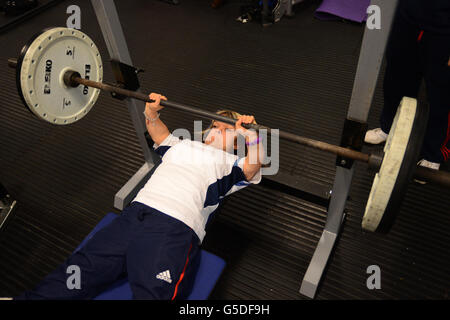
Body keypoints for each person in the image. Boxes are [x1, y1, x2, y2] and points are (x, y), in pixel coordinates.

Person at [15, 93, 262, 300]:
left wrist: (253, 135)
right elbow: (158, 134)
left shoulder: (232, 163)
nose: (216, 129)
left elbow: (254, 166)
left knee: (155, 294)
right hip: (132, 218)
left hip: (173, 229)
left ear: (239, 143)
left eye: (226, 129)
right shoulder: (183, 144)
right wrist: (151, 112)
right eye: (214, 125)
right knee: (77, 272)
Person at [364, 0, 450, 175]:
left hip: (445, 25)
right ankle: (389, 127)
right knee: (396, 77)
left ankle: (434, 153)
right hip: (408, 14)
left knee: (442, 92)